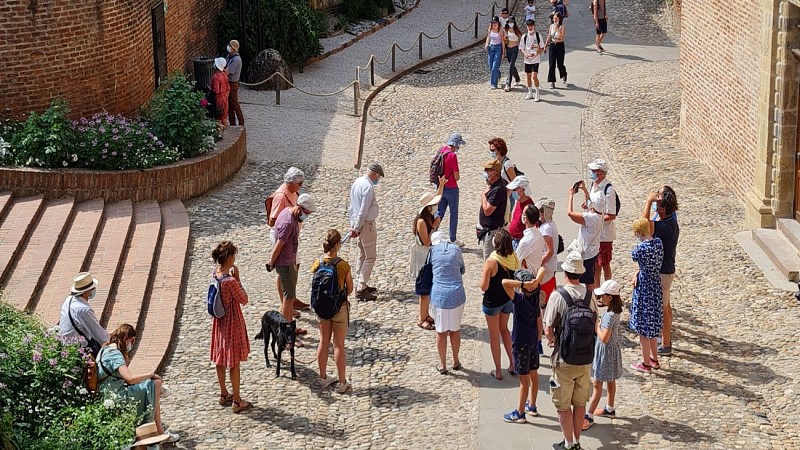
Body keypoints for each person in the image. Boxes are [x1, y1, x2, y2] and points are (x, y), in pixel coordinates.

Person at [543, 251, 597, 450]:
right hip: (585, 358)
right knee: (580, 403)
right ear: (580, 274)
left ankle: (568, 443)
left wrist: (552, 341)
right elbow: (594, 321)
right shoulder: (590, 295)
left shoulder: (558, 296)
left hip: (564, 359)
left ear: (564, 272)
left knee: (563, 406)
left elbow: (548, 328)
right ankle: (577, 442)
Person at [97, 324, 179, 442]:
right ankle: (158, 432)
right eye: (132, 341)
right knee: (155, 383)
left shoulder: (105, 349)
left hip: (107, 393)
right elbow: (129, 378)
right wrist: (150, 374)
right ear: (126, 339)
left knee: (153, 386)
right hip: (118, 397)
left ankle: (159, 428)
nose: (132, 344)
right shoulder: (115, 355)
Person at [268, 194, 317, 344]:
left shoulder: (288, 212)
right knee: (288, 301)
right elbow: (279, 245)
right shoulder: (288, 222)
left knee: (288, 299)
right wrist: (271, 262)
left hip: (289, 261)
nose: (306, 217)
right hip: (286, 264)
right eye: (306, 214)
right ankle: (287, 335)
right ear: (300, 209)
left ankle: (289, 330)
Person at [210, 241, 252, 413]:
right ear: (228, 257)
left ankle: (223, 393)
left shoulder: (214, 273)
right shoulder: (229, 281)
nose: (235, 257)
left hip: (219, 321)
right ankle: (236, 400)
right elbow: (244, 299)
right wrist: (238, 279)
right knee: (233, 361)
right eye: (234, 255)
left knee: (220, 358)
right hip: (232, 321)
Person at [312, 230, 354, 394]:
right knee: (338, 345)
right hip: (339, 308)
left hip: (321, 308)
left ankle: (323, 377)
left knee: (323, 341)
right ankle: (342, 382)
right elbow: (349, 288)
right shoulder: (343, 265)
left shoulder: (317, 262)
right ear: (337, 245)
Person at [501, 269, 545, 423]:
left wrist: (522, 284)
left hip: (520, 341)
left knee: (523, 379)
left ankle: (520, 413)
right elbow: (539, 321)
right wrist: (535, 282)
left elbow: (504, 283)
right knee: (534, 373)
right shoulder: (536, 298)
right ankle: (532, 405)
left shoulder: (519, 299)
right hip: (533, 340)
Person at [643, 186, 680, 356]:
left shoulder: (666, 226)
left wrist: (648, 202)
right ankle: (666, 338)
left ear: (663, 208)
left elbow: (643, 226)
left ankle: (665, 344)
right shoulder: (671, 219)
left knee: (663, 309)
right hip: (667, 271)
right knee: (666, 306)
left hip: (663, 273)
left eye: (658, 203)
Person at [583, 280, 623, 431]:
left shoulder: (609, 316)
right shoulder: (616, 312)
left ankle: (589, 415)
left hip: (605, 353)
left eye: (602, 296)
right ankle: (610, 408)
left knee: (597, 384)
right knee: (611, 380)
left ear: (610, 297)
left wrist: (597, 327)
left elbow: (604, 338)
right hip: (613, 351)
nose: (600, 299)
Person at [480, 229, 519, 380]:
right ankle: (513, 363)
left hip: (492, 303)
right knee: (505, 330)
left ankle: (498, 370)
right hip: (507, 299)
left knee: (494, 335)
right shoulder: (512, 258)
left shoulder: (491, 262)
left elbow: (484, 286)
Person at [269, 167, 307, 313]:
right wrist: (288, 224)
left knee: (295, 267)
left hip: (292, 237)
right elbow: (273, 221)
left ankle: (291, 299)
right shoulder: (281, 196)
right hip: (282, 238)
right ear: (291, 183)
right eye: (300, 183)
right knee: (284, 270)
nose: (301, 186)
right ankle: (285, 304)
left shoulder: (293, 192)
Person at [429, 231, 467, 374]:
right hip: (457, 294)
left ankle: (443, 364)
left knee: (441, 331)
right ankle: (456, 360)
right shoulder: (456, 250)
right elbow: (462, 269)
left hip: (440, 296)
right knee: (455, 330)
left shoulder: (432, 252)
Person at [629, 218, 664, 374]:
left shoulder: (640, 249)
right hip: (655, 285)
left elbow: (635, 257)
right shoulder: (658, 243)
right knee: (653, 325)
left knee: (643, 327)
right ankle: (654, 359)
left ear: (638, 232)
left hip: (644, 288)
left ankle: (645, 363)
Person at [348, 161, 385, 301]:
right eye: (378, 177)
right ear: (374, 174)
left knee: (362, 254)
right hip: (366, 224)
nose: (378, 180)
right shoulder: (368, 187)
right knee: (370, 256)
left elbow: (352, 207)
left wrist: (354, 225)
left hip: (359, 224)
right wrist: (357, 227)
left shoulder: (357, 182)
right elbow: (363, 210)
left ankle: (359, 282)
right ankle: (361, 287)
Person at [414, 188, 444, 330]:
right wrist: (435, 226)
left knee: (428, 288)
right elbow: (426, 241)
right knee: (423, 290)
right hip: (422, 259)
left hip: (429, 256)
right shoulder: (421, 221)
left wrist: (441, 186)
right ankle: (421, 318)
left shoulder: (428, 218)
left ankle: (426, 314)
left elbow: (438, 196)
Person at [59, 272, 108, 354]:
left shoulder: (69, 299)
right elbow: (99, 334)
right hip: (77, 349)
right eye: (92, 289)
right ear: (86, 292)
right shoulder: (84, 310)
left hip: (65, 343)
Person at [566, 181, 602, 292]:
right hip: (593, 250)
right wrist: (585, 190)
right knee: (589, 277)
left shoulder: (591, 218)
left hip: (586, 253)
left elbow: (570, 213)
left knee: (587, 280)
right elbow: (592, 203)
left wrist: (571, 196)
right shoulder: (600, 213)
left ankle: (590, 300)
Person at [587, 159, 617, 287]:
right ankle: (597, 289)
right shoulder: (593, 186)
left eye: (594, 171)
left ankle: (608, 288)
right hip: (594, 233)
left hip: (604, 235)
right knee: (595, 263)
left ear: (601, 173)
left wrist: (597, 219)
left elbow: (611, 215)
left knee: (604, 263)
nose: (592, 173)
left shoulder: (608, 190)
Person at [435, 133, 465, 247]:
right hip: (451, 188)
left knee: (439, 212)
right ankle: (453, 238)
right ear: (456, 145)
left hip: (441, 187)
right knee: (453, 214)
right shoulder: (452, 156)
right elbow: (457, 177)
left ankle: (432, 233)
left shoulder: (441, 150)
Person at [478, 159, 508, 260]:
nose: (485, 171)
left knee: (489, 259)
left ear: (494, 172)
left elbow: (487, 211)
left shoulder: (497, 189)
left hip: (492, 231)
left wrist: (483, 195)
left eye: (487, 170)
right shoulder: (496, 183)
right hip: (488, 229)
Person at [536, 197, 560, 304]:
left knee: (544, 296)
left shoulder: (546, 228)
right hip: (550, 264)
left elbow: (549, 251)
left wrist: (539, 262)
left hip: (546, 265)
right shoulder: (550, 225)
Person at [488, 137, 518, 215]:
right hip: (499, 194)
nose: (491, 152)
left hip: (507, 196)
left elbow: (514, 181)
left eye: (493, 150)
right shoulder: (497, 162)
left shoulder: (507, 164)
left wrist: (506, 195)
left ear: (500, 150)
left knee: (505, 218)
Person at [507, 176, 535, 247]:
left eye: (515, 189)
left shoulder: (529, 206)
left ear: (522, 190)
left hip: (520, 241)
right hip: (513, 239)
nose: (513, 191)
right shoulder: (519, 201)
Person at [521, 19, 544, 101]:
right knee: (528, 76)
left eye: (531, 25)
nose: (530, 27)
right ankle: (530, 92)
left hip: (536, 60)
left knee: (534, 76)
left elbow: (542, 48)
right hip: (527, 60)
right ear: (527, 27)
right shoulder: (524, 37)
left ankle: (537, 92)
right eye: (528, 26)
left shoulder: (538, 36)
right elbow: (522, 48)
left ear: (534, 26)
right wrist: (525, 54)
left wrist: (536, 53)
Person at [544, 13, 567, 90]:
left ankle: (564, 73)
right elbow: (549, 36)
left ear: (559, 19)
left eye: (556, 19)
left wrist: (558, 30)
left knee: (560, 64)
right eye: (554, 19)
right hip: (552, 45)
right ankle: (552, 81)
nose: (555, 20)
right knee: (551, 64)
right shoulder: (551, 26)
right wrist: (545, 46)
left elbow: (562, 38)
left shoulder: (562, 27)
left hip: (560, 45)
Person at [226, 39, 245, 126]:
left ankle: (241, 123)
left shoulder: (236, 59)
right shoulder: (229, 56)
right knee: (229, 104)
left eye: (230, 45)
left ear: (233, 48)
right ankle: (232, 123)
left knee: (235, 103)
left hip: (233, 83)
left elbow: (229, 71)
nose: (228, 47)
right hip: (229, 82)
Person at [485, 16, 506, 90]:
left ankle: (493, 84)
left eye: (495, 23)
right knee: (491, 66)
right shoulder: (490, 30)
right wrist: (487, 44)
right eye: (493, 24)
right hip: (491, 48)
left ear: (498, 23)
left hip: (498, 48)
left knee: (494, 67)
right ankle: (498, 74)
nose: (494, 25)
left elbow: (503, 42)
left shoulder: (501, 31)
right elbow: (488, 37)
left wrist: (503, 53)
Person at [210, 57, 230, 131]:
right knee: (224, 118)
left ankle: (220, 134)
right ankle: (227, 133)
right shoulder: (225, 75)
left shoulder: (216, 77)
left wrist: (210, 89)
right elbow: (228, 88)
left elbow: (216, 90)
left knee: (218, 119)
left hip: (218, 100)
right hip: (225, 99)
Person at [504, 17, 522, 92]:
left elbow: (522, 38)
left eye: (512, 22)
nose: (510, 23)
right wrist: (506, 39)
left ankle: (508, 84)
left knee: (510, 65)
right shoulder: (506, 30)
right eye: (509, 22)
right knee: (512, 66)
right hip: (508, 49)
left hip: (514, 49)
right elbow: (505, 42)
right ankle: (517, 78)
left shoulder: (516, 30)